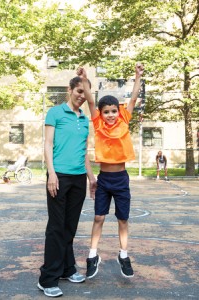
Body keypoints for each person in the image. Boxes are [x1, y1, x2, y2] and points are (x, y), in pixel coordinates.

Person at [77, 63, 144, 279]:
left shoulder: (124, 119)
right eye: (106, 112)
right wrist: (85, 80)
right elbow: (89, 100)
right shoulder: (98, 124)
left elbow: (133, 98)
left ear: (119, 111)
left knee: (123, 220)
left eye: (114, 111)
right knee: (98, 218)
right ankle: (92, 255)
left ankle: (123, 255)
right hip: (104, 179)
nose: (110, 115)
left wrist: (137, 76)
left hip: (121, 179)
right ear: (101, 114)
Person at [37, 76, 97, 298]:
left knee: (69, 227)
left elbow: (84, 153)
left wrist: (92, 178)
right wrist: (51, 174)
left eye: (86, 93)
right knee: (56, 227)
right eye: (79, 91)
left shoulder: (84, 119)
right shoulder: (55, 113)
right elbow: (48, 144)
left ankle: (67, 269)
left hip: (79, 178)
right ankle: (47, 278)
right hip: (59, 175)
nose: (82, 96)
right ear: (70, 89)